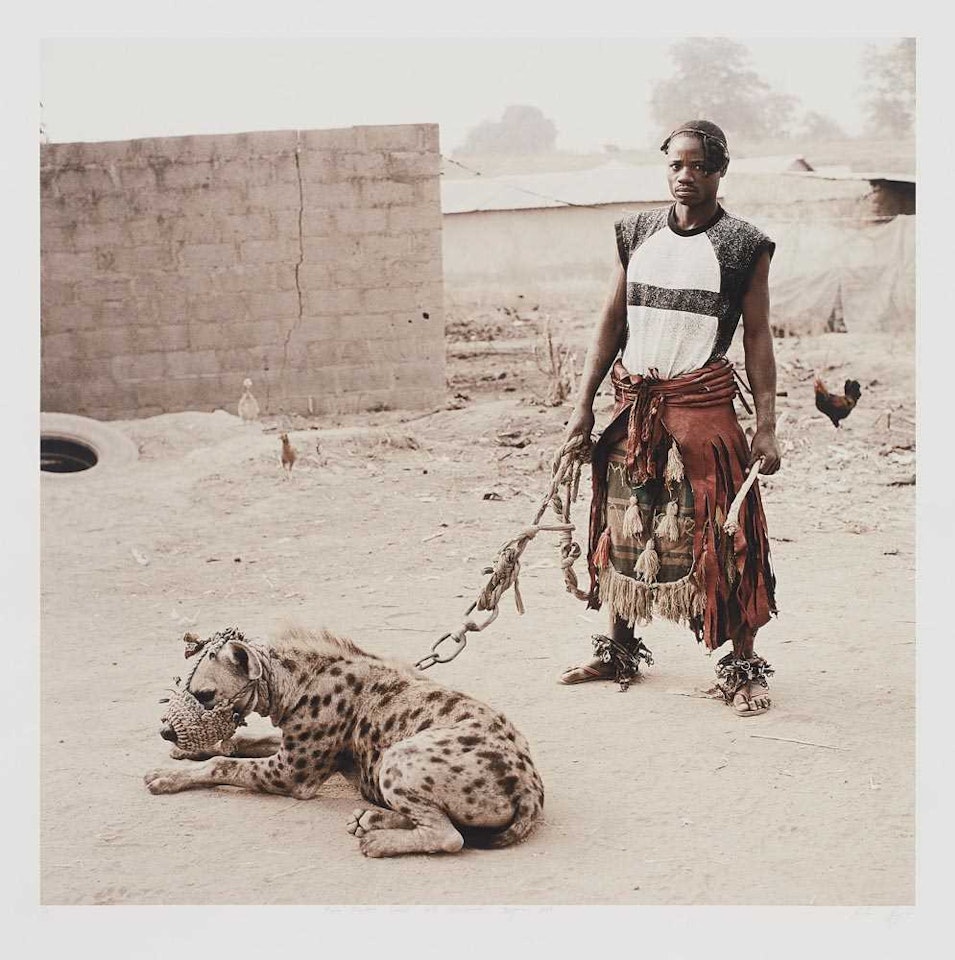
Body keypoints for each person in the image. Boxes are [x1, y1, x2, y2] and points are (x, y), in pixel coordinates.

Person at [558, 119, 781, 717]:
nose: (685, 177)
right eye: (675, 166)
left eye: (698, 167)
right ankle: (620, 649)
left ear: (720, 172)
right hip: (636, 408)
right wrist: (584, 402)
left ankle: (741, 666)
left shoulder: (744, 245)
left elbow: (758, 338)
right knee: (627, 527)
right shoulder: (634, 233)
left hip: (703, 408)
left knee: (724, 536)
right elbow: (611, 321)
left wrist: (766, 424)